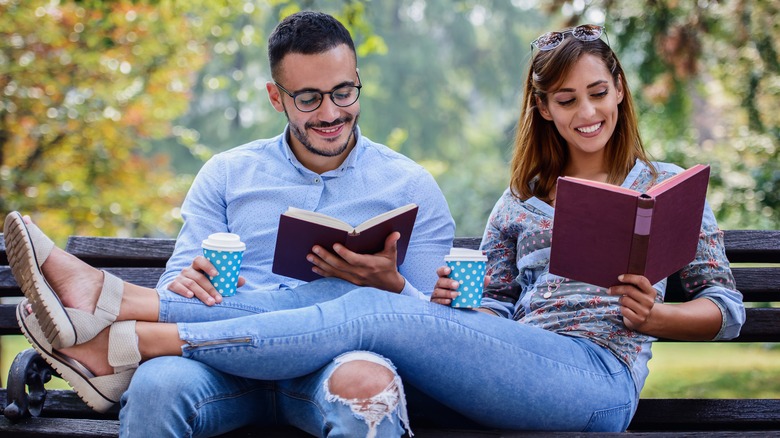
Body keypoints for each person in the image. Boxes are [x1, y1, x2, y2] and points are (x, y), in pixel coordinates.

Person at [10, 24, 745, 432]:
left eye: (598, 92)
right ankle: (128, 324)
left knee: (367, 306)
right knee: (361, 300)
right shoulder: (521, 200)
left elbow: (728, 307)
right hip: (520, 359)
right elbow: (483, 312)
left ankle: (127, 324)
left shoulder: (669, 187)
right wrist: (454, 295)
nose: (587, 111)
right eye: (566, 99)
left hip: (597, 380)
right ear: (545, 109)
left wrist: (663, 315)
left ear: (619, 89)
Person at [4, 10, 455, 438]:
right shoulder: (227, 173)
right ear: (276, 96)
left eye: (343, 92)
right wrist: (188, 281)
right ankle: (106, 309)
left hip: (337, 363)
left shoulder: (410, 185)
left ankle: (107, 308)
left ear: (358, 82)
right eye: (308, 98)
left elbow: (439, 336)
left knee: (370, 387)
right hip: (216, 363)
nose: (330, 113)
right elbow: (176, 284)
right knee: (158, 387)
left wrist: (393, 287)